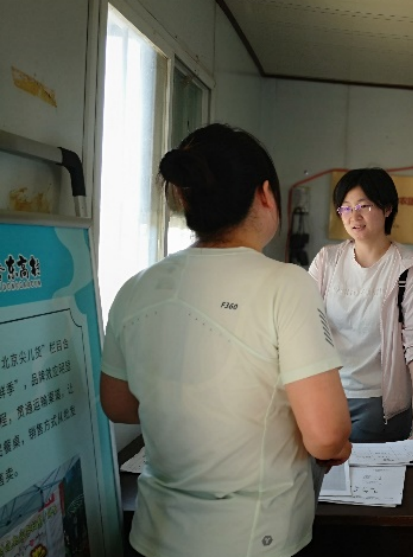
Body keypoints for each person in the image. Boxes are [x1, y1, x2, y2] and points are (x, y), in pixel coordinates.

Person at [99, 123, 352, 557]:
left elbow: (118, 406)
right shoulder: (286, 284)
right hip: (254, 539)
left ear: (185, 198)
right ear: (266, 195)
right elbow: (326, 436)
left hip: (154, 534)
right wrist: (337, 446)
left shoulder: (135, 287)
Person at [309, 167, 413, 443]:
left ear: (387, 209)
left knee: (366, 471)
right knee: (323, 470)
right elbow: (304, 321)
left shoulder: (410, 269)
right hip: (326, 394)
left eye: (364, 206)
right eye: (346, 208)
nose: (354, 216)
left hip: (379, 404)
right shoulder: (327, 260)